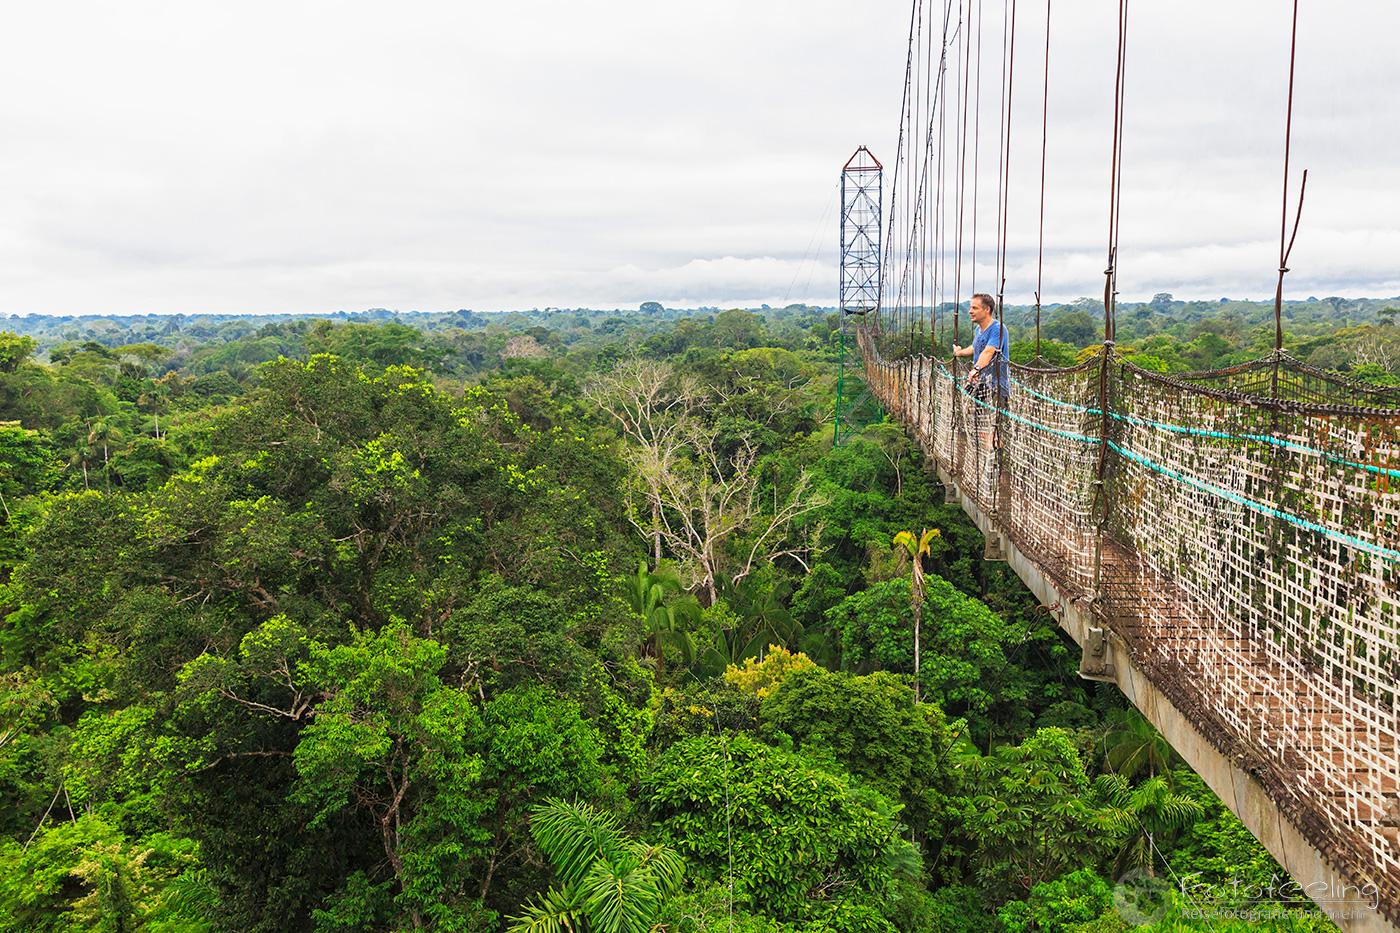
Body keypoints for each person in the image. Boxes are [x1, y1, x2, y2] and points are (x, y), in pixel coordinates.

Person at [952, 292, 1009, 405]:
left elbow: (988, 351)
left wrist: (976, 369)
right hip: (980, 383)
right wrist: (959, 352)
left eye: (974, 308)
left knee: (998, 420)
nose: (970, 311)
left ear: (987, 309)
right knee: (977, 419)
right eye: (970, 308)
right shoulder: (978, 329)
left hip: (996, 387)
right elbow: (974, 348)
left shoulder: (998, 328)